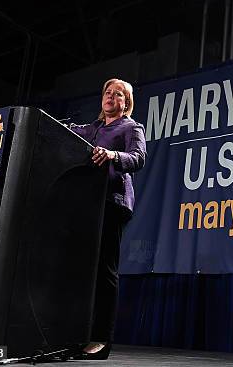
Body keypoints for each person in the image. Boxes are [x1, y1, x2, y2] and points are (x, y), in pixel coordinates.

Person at [69, 78, 147, 359]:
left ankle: (102, 339)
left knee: (104, 271)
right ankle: (72, 332)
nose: (111, 96)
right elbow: (67, 133)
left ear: (126, 103)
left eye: (118, 94)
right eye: (107, 92)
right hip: (85, 204)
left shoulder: (130, 127)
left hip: (112, 203)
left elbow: (138, 158)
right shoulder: (93, 129)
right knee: (79, 270)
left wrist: (112, 154)